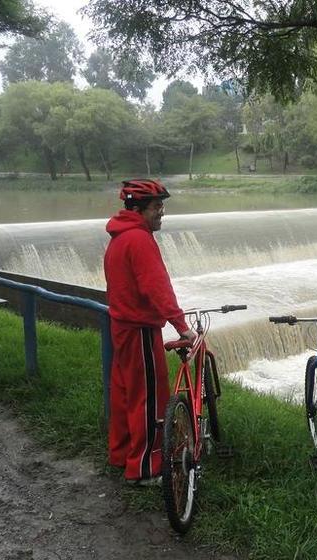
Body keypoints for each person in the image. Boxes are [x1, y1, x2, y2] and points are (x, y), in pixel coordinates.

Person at [103, 179, 196, 485]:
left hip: (122, 328)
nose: (162, 213)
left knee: (126, 394)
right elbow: (157, 289)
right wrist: (182, 326)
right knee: (149, 399)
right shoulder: (140, 241)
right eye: (157, 207)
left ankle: (122, 455)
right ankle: (144, 468)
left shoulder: (119, 238)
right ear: (140, 210)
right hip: (140, 330)